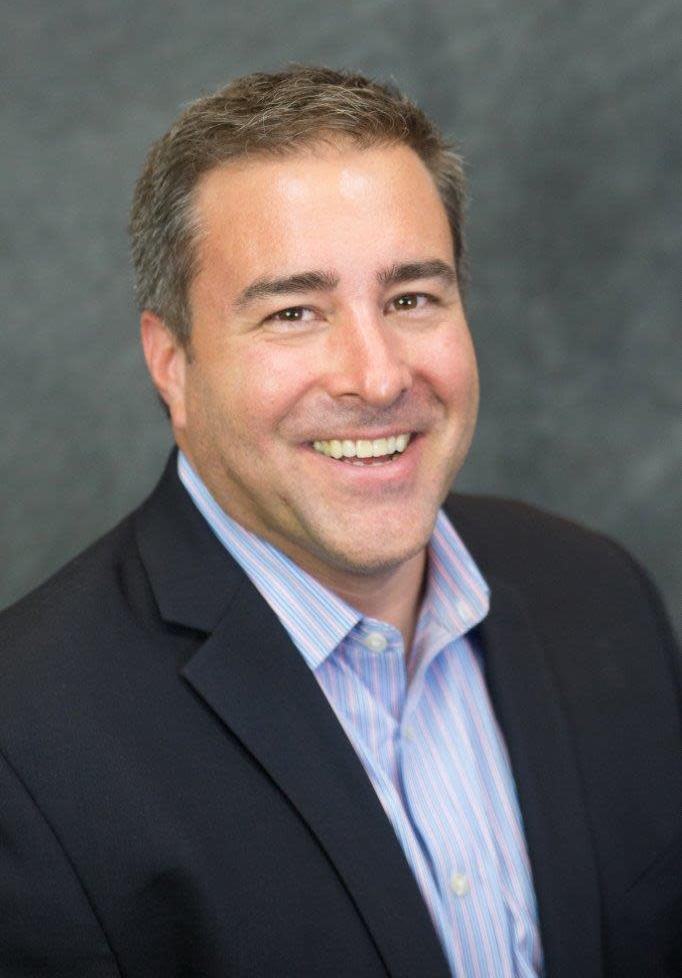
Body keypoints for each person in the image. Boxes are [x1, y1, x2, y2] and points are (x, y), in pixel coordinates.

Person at [0, 66, 679, 978]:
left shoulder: (600, 595)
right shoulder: (28, 745)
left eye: (411, 299)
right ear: (172, 363)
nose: (378, 377)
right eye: (294, 312)